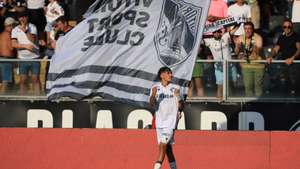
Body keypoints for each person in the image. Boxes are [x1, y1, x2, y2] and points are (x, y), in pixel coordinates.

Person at [150, 67, 184, 169]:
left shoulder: (175, 88)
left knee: (162, 144)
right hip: (160, 122)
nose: (171, 75)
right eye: (168, 73)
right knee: (168, 149)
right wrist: (153, 94)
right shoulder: (155, 88)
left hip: (171, 122)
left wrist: (178, 97)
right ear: (162, 75)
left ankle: (156, 167)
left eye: (171, 73)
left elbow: (182, 106)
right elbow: (152, 104)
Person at [267, 19, 300, 96]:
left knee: (295, 84)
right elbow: (276, 49)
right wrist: (270, 56)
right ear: (283, 28)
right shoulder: (281, 37)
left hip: (295, 64)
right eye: (285, 27)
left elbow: (299, 49)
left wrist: (292, 58)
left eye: (289, 27)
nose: (287, 28)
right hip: (284, 63)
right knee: (285, 82)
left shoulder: (297, 36)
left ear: (292, 27)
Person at [11, 10, 40, 95]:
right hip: (22, 59)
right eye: (21, 17)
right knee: (23, 80)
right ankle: (22, 98)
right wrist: (26, 46)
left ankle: (37, 99)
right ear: (18, 18)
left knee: (35, 79)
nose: (22, 18)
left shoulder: (33, 27)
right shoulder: (15, 30)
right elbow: (13, 44)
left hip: (35, 58)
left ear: (27, 17)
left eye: (24, 16)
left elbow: (32, 39)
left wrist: (25, 30)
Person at [204, 28, 238, 99]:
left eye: (218, 31)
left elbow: (233, 30)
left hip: (230, 66)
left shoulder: (225, 36)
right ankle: (219, 102)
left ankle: (232, 101)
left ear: (221, 32)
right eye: (214, 32)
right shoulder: (209, 41)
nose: (216, 33)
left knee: (231, 85)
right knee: (220, 86)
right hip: (219, 68)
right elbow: (198, 39)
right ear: (212, 33)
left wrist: (238, 21)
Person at [235, 21, 264, 97]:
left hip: (258, 66)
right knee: (248, 87)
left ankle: (259, 105)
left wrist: (252, 46)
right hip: (246, 66)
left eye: (249, 29)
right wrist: (238, 46)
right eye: (245, 29)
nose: (247, 31)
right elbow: (236, 52)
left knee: (258, 87)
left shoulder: (258, 38)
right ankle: (250, 104)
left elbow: (258, 51)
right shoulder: (240, 38)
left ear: (252, 29)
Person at [0, 17, 16, 93]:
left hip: (2, 59)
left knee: (5, 80)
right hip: (7, 60)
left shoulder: (2, 34)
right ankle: (2, 100)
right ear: (11, 25)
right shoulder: (8, 34)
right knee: (5, 81)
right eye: (14, 26)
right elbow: (11, 47)